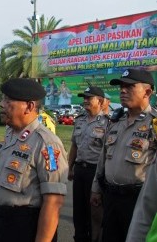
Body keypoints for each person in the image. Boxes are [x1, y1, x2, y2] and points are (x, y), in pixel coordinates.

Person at [0, 78, 68, 241]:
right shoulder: (10, 135)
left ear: (29, 106)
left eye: (8, 100)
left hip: (23, 227)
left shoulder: (47, 143)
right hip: (0, 222)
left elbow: (53, 202)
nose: (1, 104)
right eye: (3, 99)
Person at [90, 68, 157, 242]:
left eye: (130, 86)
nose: (123, 90)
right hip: (111, 197)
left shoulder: (154, 124)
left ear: (147, 92)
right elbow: (102, 158)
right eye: (121, 87)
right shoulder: (116, 122)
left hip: (138, 200)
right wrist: (96, 188)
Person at [68, 86, 107, 242]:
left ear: (100, 101)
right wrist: (70, 167)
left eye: (89, 98)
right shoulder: (80, 120)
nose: (85, 101)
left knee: (95, 214)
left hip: (95, 173)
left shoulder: (108, 123)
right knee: (79, 212)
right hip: (80, 171)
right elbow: (74, 146)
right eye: (84, 97)